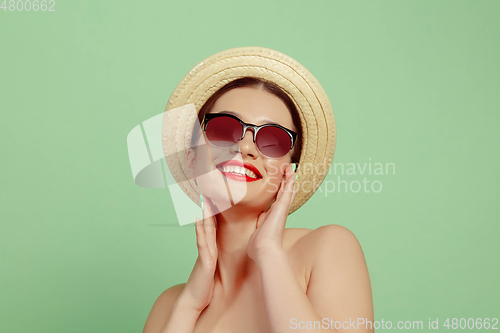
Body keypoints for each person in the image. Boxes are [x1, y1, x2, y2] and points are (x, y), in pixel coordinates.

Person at [143, 48, 373, 333]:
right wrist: (189, 305)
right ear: (192, 161)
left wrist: (268, 253)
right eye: (224, 129)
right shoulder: (169, 306)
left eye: (273, 139)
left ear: (289, 172)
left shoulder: (327, 249)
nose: (246, 148)